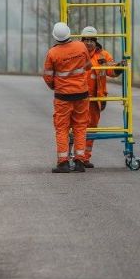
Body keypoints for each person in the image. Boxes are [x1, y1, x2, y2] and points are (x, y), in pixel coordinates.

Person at [42, 22, 91, 173]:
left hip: (63, 96)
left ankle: (63, 162)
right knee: (80, 127)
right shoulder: (81, 47)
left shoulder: (53, 53)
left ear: (55, 37)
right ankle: (79, 161)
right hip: (81, 94)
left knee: (62, 128)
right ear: (69, 33)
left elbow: (48, 76)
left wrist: (55, 86)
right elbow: (88, 65)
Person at [80, 26, 123, 168]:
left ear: (96, 41)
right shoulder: (77, 54)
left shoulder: (103, 55)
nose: (89, 43)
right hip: (79, 97)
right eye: (86, 40)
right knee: (79, 127)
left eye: (91, 40)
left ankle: (85, 157)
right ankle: (76, 156)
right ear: (82, 40)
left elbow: (111, 69)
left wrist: (118, 67)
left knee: (92, 127)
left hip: (96, 99)